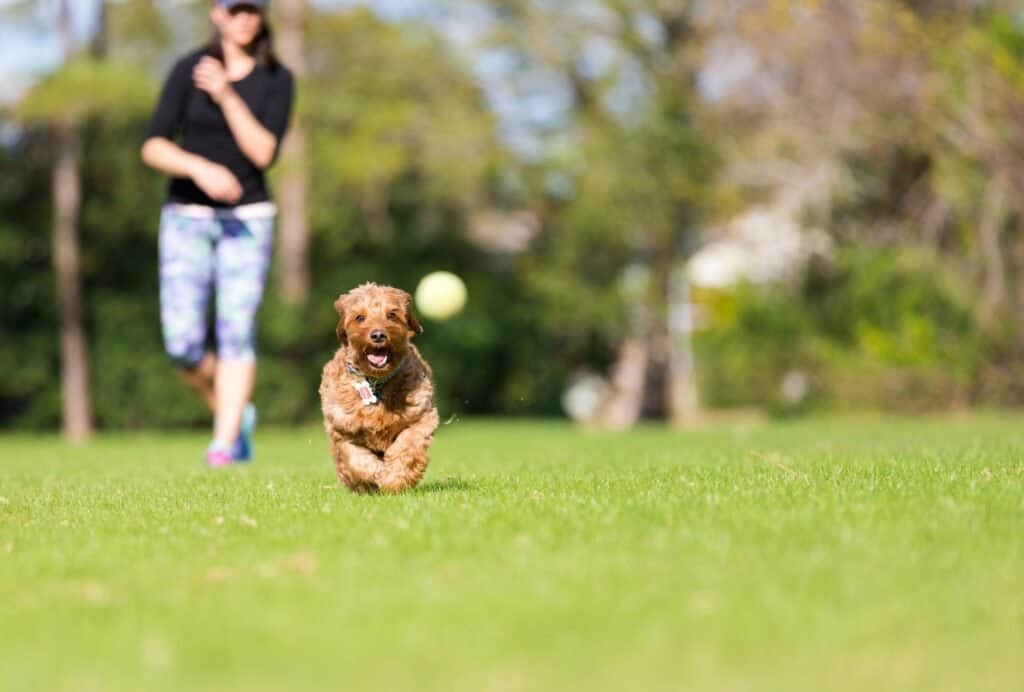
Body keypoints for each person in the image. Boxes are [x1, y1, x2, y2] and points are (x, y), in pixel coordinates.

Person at [141, 0, 294, 467]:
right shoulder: (188, 68)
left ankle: (223, 445)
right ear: (216, 13)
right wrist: (199, 167)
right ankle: (234, 414)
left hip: (248, 221)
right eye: (235, 8)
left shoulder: (277, 79)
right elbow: (153, 145)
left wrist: (228, 95)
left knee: (236, 332)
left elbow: (264, 152)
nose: (245, 17)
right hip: (187, 217)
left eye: (253, 9)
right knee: (183, 345)